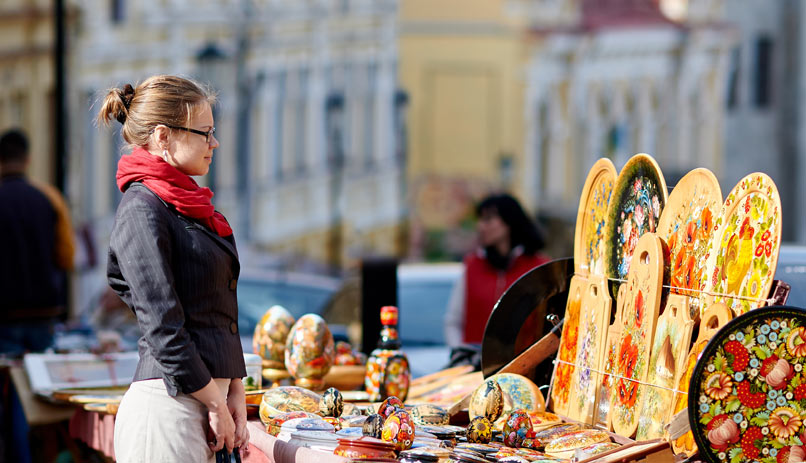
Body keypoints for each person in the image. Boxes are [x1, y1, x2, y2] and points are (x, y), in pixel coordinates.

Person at [98, 75, 247, 461]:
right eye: (205, 132)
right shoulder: (142, 209)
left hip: (200, 406)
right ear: (163, 136)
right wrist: (216, 402)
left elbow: (215, 311)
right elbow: (164, 327)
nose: (214, 143)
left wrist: (234, 389)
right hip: (167, 410)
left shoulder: (187, 203)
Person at [0, 129, 75, 356]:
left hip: (4, 313)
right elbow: (66, 256)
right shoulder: (50, 198)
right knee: (38, 373)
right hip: (44, 311)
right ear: (28, 159)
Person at [444, 193, 550, 349]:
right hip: (475, 361)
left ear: (509, 221)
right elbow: (453, 321)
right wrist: (460, 351)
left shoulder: (539, 267)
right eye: (480, 220)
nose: (481, 226)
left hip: (526, 362)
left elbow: (550, 322)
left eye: (488, 219)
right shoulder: (472, 266)